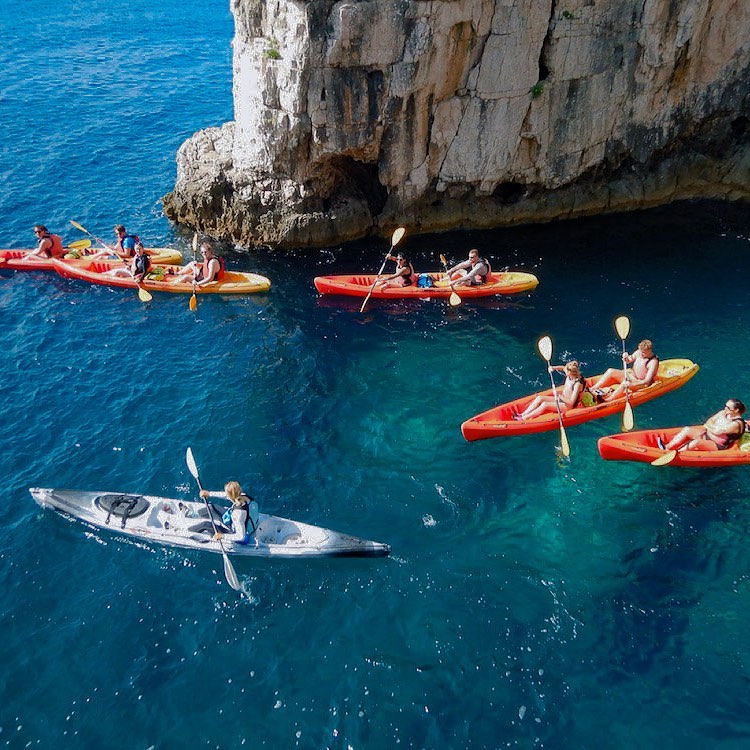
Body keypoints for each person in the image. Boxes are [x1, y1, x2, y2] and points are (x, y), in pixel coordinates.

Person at [660, 399, 747, 452]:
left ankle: (676, 453)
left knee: (697, 442)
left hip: (717, 445)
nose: (725, 409)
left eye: (728, 408)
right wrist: (712, 427)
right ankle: (667, 448)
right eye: (725, 406)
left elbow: (717, 431)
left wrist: (711, 426)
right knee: (687, 430)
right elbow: (709, 421)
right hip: (707, 435)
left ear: (736, 410)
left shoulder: (736, 424)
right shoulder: (724, 413)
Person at [514, 361, 589, 421]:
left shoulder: (577, 384)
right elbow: (563, 368)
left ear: (570, 373)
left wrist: (558, 396)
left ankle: (525, 418)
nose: (564, 371)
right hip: (562, 399)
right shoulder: (570, 373)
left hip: (568, 406)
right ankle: (522, 414)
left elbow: (571, 402)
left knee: (545, 404)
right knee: (540, 398)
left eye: (566, 371)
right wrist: (553, 367)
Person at [190, 481, 260, 545]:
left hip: (241, 535)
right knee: (212, 508)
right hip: (250, 525)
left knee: (206, 524)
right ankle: (194, 515)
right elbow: (226, 495)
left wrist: (222, 536)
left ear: (230, 496)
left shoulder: (237, 515)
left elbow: (241, 537)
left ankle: (188, 532)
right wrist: (209, 493)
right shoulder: (244, 496)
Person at [589, 339, 659, 401]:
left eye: (643, 352)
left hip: (641, 384)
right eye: (641, 351)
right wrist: (626, 358)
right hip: (632, 377)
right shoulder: (639, 352)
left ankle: (609, 400)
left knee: (625, 382)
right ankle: (593, 388)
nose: (641, 354)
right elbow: (629, 360)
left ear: (649, 350)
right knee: (611, 371)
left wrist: (632, 384)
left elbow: (647, 381)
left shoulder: (653, 362)